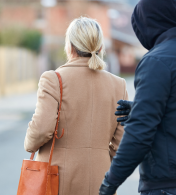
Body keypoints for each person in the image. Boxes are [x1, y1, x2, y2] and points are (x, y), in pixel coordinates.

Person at [99, 0, 176, 194]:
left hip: (168, 186)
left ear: (146, 24)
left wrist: (109, 183)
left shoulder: (157, 61)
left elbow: (139, 134)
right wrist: (140, 107)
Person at [24, 17, 128, 195]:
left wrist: (29, 144)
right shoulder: (118, 85)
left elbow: (41, 129)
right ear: (100, 47)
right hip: (101, 180)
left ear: (69, 46)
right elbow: (121, 144)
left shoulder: (53, 79)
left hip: (58, 178)